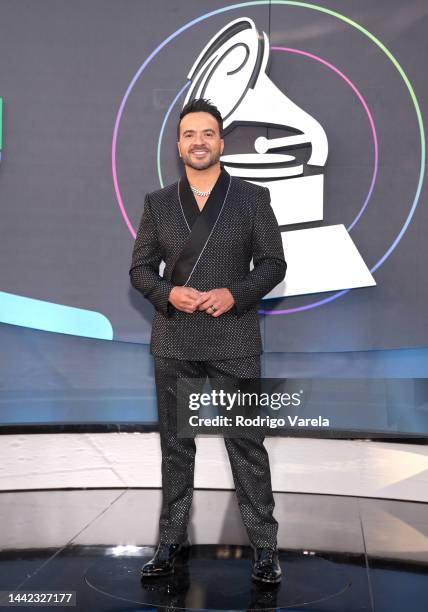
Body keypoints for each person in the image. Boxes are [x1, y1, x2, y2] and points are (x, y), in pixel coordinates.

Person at [129, 98, 287, 584]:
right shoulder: (157, 203)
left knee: (247, 446)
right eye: (189, 134)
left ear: (221, 141)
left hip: (234, 340)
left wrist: (232, 294)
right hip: (175, 342)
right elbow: (139, 270)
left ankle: (265, 548)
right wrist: (168, 292)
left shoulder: (251, 198)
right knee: (177, 448)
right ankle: (171, 542)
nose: (199, 142)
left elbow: (273, 265)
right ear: (179, 146)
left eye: (208, 133)